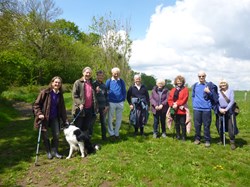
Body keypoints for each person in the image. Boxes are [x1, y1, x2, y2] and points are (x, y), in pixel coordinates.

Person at [33, 76, 68, 159]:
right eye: (56, 82)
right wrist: (39, 114)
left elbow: (62, 108)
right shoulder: (45, 92)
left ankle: (54, 151)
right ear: (52, 83)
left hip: (55, 117)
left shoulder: (60, 94)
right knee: (45, 135)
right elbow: (36, 105)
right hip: (44, 117)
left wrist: (65, 120)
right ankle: (48, 151)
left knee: (56, 134)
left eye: (59, 83)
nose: (57, 84)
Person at [192, 71, 219, 147]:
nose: (201, 78)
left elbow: (215, 97)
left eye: (203, 76)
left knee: (206, 125)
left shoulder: (209, 86)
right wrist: (194, 103)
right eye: (200, 76)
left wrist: (209, 92)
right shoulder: (195, 85)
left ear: (205, 76)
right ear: (198, 77)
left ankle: (207, 140)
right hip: (197, 108)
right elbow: (193, 96)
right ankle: (197, 139)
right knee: (197, 125)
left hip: (206, 109)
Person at [72, 67, 98, 138]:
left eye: (89, 73)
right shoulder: (78, 82)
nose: (88, 74)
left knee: (86, 127)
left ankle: (83, 143)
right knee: (78, 127)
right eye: (87, 72)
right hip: (80, 109)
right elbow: (74, 95)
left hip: (89, 109)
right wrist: (80, 103)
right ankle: (76, 144)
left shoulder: (92, 83)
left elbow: (93, 95)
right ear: (83, 73)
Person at [215, 79, 238, 150]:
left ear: (226, 84)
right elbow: (215, 102)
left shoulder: (230, 90)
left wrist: (226, 109)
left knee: (231, 127)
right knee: (219, 126)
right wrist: (219, 109)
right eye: (221, 84)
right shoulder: (217, 92)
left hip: (229, 111)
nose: (223, 85)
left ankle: (232, 142)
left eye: (224, 84)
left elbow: (232, 101)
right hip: (220, 111)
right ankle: (222, 139)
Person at [106, 67, 126, 140]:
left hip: (120, 102)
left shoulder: (121, 81)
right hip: (111, 102)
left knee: (119, 119)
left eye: (117, 73)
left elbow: (124, 90)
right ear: (112, 73)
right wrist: (108, 99)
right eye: (115, 73)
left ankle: (117, 133)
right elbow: (106, 90)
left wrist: (123, 98)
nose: (116, 74)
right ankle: (111, 133)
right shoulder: (109, 81)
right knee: (110, 118)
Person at [167, 75, 189, 141]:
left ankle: (183, 136)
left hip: (182, 109)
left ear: (183, 82)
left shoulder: (185, 89)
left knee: (182, 123)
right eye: (178, 81)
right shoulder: (173, 90)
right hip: (174, 109)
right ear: (176, 82)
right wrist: (172, 104)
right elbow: (170, 99)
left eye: (180, 81)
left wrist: (177, 104)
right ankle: (178, 135)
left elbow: (185, 99)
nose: (179, 82)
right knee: (176, 123)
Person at [92, 70, 109, 141]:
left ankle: (104, 137)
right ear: (97, 76)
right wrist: (95, 91)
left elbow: (106, 96)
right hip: (95, 106)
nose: (101, 77)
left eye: (102, 76)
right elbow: (90, 95)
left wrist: (107, 105)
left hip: (103, 106)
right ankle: (89, 137)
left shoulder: (104, 85)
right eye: (99, 76)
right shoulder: (93, 84)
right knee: (91, 122)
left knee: (103, 122)